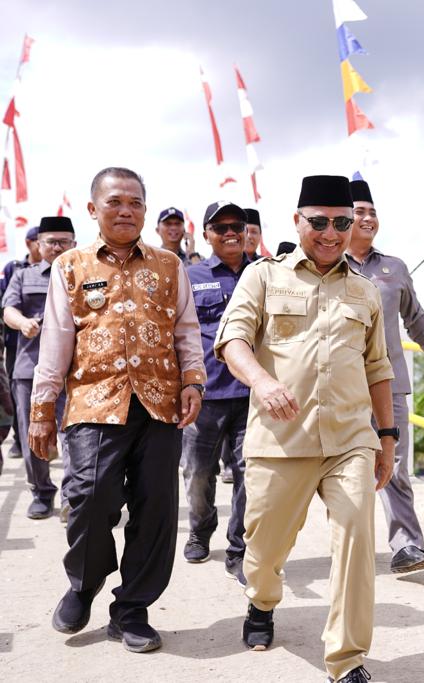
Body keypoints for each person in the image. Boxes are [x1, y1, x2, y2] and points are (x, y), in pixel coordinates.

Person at [215, 175, 396, 683]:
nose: (332, 232)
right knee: (265, 549)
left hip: (349, 440)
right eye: (319, 221)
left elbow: (378, 368)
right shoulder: (263, 277)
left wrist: (387, 438)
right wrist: (262, 381)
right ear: (298, 221)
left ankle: (347, 659)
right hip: (279, 439)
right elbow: (232, 341)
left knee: (358, 536)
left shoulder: (364, 290)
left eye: (342, 221)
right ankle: (262, 601)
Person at [30, 167, 205, 653]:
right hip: (92, 401)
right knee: (88, 496)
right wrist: (42, 409)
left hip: (159, 401)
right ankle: (84, 584)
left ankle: (131, 609)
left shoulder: (170, 265)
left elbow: (186, 330)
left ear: (145, 211)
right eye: (114, 202)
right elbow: (56, 341)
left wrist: (193, 380)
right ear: (93, 209)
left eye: (135, 202)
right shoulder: (70, 266)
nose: (126, 210)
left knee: (156, 509)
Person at [345, 179, 424, 573]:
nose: (368, 217)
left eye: (372, 211)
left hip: (389, 385)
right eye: (359, 211)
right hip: (341, 387)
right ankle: (348, 550)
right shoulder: (328, 266)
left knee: (397, 466)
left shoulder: (394, 268)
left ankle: (407, 546)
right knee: (340, 470)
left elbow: (415, 319)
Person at [181, 200, 251, 584]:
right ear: (206, 234)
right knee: (197, 474)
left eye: (236, 226)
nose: (230, 233)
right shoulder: (190, 276)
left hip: (251, 395)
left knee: (249, 474)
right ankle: (200, 527)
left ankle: (239, 548)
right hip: (204, 395)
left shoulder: (262, 274)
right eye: (220, 227)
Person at [2, 216, 76, 520]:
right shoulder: (23, 276)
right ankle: (42, 493)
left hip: (74, 371)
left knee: (74, 435)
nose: (57, 247)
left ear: (73, 243)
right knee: (33, 433)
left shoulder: (82, 273)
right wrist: (23, 324)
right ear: (38, 244)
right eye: (51, 242)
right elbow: (8, 309)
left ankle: (74, 496)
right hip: (30, 368)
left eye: (63, 241)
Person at [0, 225, 42, 461]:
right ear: (29, 243)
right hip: (16, 342)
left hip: (43, 343)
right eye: (39, 241)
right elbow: (6, 304)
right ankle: (19, 439)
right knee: (18, 394)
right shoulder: (14, 268)